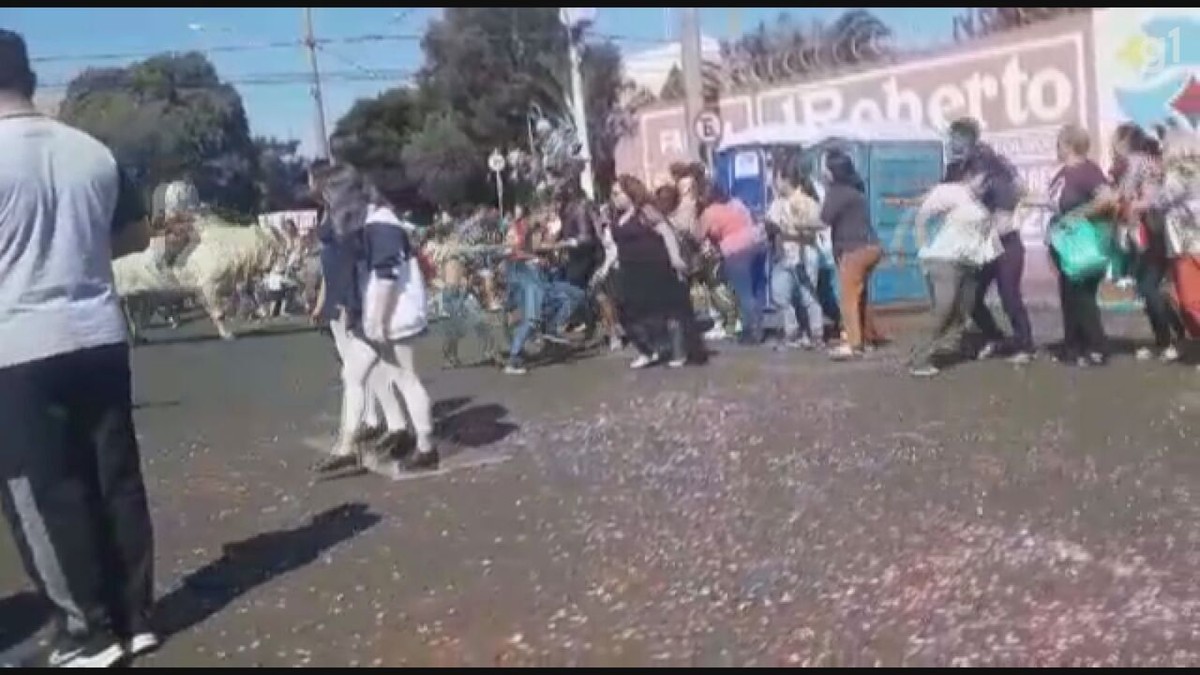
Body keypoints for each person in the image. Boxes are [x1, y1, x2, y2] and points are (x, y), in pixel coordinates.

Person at [0, 30, 158, 666]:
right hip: (98, 334)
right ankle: (134, 616)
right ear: (30, 78)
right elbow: (138, 236)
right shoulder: (91, 150)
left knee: (44, 489)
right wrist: (76, 259)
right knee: (115, 477)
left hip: (16, 346)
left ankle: (86, 631)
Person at [311, 163, 437, 472]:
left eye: (330, 194)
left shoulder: (382, 223)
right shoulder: (367, 219)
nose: (328, 201)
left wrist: (376, 321)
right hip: (377, 314)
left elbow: (387, 275)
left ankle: (426, 447)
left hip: (396, 313)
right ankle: (345, 446)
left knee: (406, 377)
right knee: (353, 375)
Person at [944, 117, 1035, 364]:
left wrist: (991, 216)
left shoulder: (994, 164)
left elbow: (1016, 194)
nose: (953, 143)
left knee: (1009, 295)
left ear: (972, 139)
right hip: (978, 245)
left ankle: (1025, 344)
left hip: (1004, 242)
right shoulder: (954, 170)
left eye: (958, 138)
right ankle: (995, 337)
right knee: (970, 298)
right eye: (952, 137)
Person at [595, 175, 701, 368]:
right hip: (630, 270)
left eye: (618, 193)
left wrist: (675, 258)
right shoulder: (616, 218)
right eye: (613, 194)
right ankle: (647, 350)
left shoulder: (645, 211)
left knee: (668, 311)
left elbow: (667, 233)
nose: (614, 197)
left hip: (655, 267)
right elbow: (616, 248)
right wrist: (605, 267)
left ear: (630, 193)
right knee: (627, 311)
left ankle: (679, 352)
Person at [906, 171, 1003, 377]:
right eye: (980, 179)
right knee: (945, 309)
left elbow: (990, 242)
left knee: (963, 311)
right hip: (944, 260)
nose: (983, 184)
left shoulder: (984, 206)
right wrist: (923, 249)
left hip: (969, 265)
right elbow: (923, 216)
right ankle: (919, 359)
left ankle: (950, 348)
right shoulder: (955, 195)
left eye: (987, 181)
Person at [1111, 122, 1187, 362]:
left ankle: (1167, 342)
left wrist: (1124, 205)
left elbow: (1135, 198)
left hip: (1150, 231)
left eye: (1115, 141)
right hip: (1157, 231)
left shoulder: (1136, 163)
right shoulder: (1150, 161)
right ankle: (1175, 335)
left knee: (1147, 286)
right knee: (1150, 286)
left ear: (1124, 141)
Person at [1047, 125, 1116, 367]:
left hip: (1085, 246)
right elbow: (1054, 203)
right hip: (1066, 247)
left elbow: (1107, 199)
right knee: (1069, 295)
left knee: (1082, 296)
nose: (1056, 148)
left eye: (1058, 144)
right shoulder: (1063, 174)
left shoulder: (1088, 171)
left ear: (1068, 145)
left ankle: (1097, 347)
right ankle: (1073, 347)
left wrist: (1078, 214)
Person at [820, 148, 886, 360]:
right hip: (871, 247)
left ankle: (853, 343)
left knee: (848, 298)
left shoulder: (837, 192)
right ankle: (866, 339)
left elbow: (823, 218)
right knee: (861, 296)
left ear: (832, 171)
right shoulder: (855, 188)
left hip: (854, 250)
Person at [765, 166, 826, 349]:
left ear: (785, 180)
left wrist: (797, 226)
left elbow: (819, 224)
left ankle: (816, 334)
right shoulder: (778, 202)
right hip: (784, 254)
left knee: (808, 295)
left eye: (776, 178)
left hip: (804, 252)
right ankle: (792, 332)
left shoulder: (805, 201)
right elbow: (771, 222)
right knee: (780, 293)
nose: (774, 183)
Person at [699, 185, 768, 345]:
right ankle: (758, 327)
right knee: (754, 290)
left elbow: (699, 235)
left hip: (735, 250)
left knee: (742, 292)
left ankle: (750, 332)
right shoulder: (736, 205)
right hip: (757, 245)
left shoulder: (710, 212)